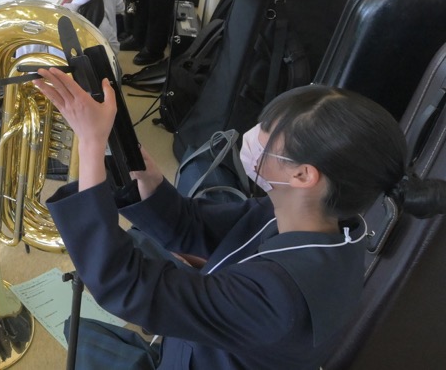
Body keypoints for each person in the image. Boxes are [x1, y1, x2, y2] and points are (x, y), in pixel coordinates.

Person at [36, 78, 446, 370]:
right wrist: (148, 178)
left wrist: (90, 146)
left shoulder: (279, 298)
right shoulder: (315, 218)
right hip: (198, 347)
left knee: (88, 335)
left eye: (267, 134)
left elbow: (126, 287)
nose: (252, 136)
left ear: (304, 175)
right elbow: (193, 228)